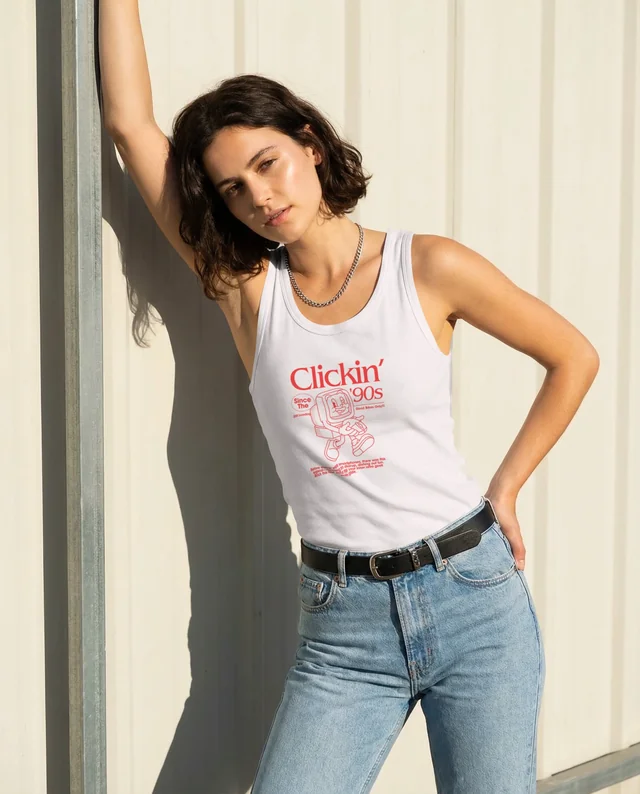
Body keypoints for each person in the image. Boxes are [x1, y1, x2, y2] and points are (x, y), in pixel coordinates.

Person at [99, 2, 600, 792]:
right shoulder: (250, 292)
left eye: (268, 163)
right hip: (343, 626)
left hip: (474, 597)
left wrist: (506, 485)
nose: (258, 196)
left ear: (312, 144)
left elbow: (573, 356)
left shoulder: (426, 267)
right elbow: (131, 126)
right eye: (232, 188)